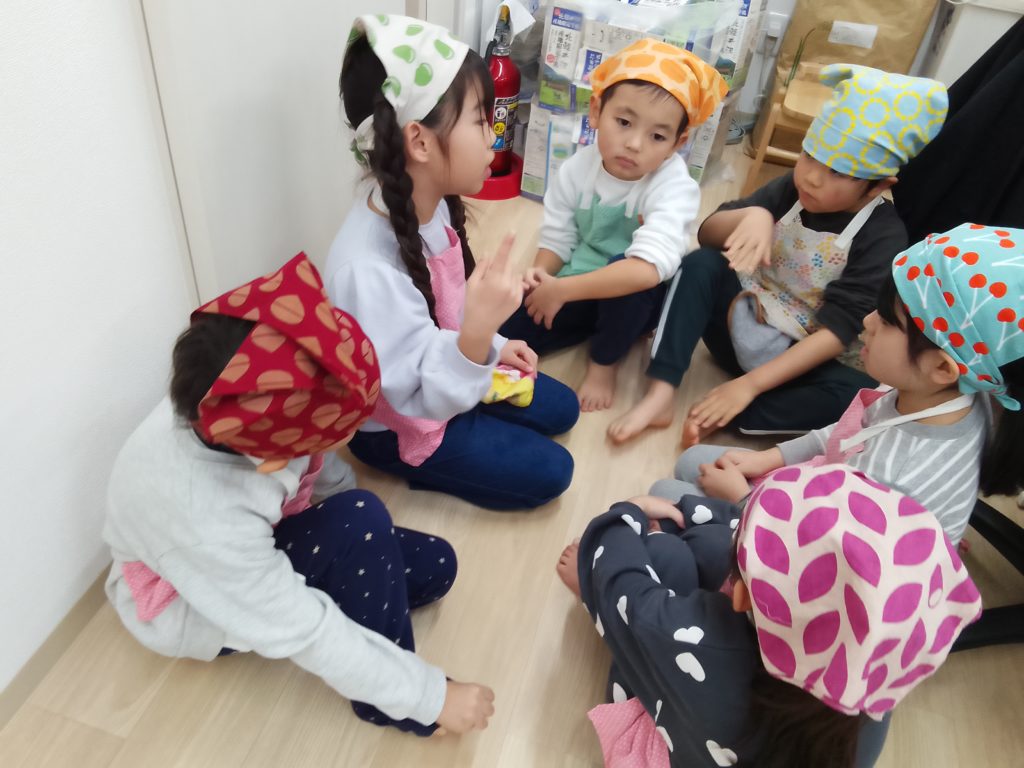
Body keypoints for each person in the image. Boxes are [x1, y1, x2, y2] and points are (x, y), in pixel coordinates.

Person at [104, 254, 494, 737]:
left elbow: (319, 468)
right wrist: (427, 697)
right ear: (271, 460)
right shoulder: (204, 518)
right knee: (359, 521)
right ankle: (385, 706)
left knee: (433, 564)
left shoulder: (241, 399)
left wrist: (352, 536)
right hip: (192, 601)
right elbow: (302, 628)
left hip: (255, 538)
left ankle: (355, 583)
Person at [608, 65, 948, 446]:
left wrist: (748, 386)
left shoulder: (884, 235)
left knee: (857, 395)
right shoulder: (793, 188)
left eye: (838, 173)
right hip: (742, 320)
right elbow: (707, 235)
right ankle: (661, 392)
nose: (812, 177)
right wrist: (753, 215)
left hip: (802, 360)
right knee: (699, 264)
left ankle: (736, 414)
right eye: (809, 156)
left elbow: (837, 332)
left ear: (877, 187)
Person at [558, 464, 982, 767]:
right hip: (756, 730)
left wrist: (626, 516)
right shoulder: (870, 668)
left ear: (741, 596)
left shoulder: (695, 641)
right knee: (705, 541)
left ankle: (595, 597)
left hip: (683, 735)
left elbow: (629, 598)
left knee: (664, 555)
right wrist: (689, 511)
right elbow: (739, 525)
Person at [325, 15, 578, 510]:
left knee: (563, 408)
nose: (494, 135)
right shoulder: (365, 269)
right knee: (554, 471)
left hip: (448, 369)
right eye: (481, 120)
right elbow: (414, 392)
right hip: (403, 420)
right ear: (419, 141)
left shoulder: (430, 204)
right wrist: (478, 337)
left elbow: (446, 308)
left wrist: (494, 344)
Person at [652, 223, 1024, 545]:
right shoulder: (938, 391)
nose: (868, 321)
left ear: (942, 367)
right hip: (827, 497)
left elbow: (817, 558)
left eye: (888, 321)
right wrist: (768, 458)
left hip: (816, 564)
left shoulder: (895, 477)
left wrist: (743, 500)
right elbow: (847, 434)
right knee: (694, 462)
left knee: (666, 495)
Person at [498, 38, 727, 412]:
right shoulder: (577, 169)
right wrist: (542, 278)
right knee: (508, 330)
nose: (634, 144)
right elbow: (559, 236)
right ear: (596, 111)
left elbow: (646, 271)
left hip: (639, 294)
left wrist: (563, 290)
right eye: (623, 122)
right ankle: (590, 328)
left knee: (628, 283)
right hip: (579, 283)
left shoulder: (674, 186)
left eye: (657, 136)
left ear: (677, 142)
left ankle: (604, 365)